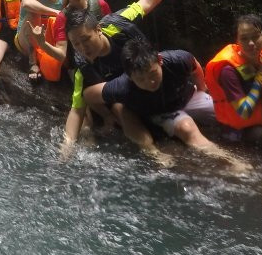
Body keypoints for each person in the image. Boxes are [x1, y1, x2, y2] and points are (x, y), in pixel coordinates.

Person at [62, 0, 198, 157]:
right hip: (127, 96)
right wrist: (66, 148)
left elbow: (146, 3)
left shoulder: (117, 24)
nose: (83, 48)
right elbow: (76, 109)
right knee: (119, 107)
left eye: (86, 39)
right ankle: (153, 153)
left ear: (98, 29)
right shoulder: (82, 66)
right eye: (76, 44)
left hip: (150, 78)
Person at [102, 39, 244, 168]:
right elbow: (89, 94)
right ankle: (233, 162)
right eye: (141, 79)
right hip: (162, 111)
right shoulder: (121, 87)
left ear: (159, 60)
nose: (150, 82)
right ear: (130, 76)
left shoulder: (177, 59)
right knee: (187, 129)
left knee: (228, 111)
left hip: (187, 96)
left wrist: (202, 89)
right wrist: (108, 117)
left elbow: (195, 65)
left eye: (153, 74)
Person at [204, 15, 262, 148]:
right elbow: (244, 112)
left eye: (255, 37)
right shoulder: (228, 71)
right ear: (237, 41)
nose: (251, 43)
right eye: (244, 38)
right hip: (241, 130)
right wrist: (261, 75)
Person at [22, 0, 111, 82]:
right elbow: (61, 54)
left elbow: (112, 32)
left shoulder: (99, 4)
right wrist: (42, 43)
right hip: (84, 63)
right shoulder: (63, 17)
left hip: (107, 55)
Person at [15, 0, 65, 81]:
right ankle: (33, 63)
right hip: (26, 40)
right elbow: (27, 3)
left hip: (46, 40)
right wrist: (55, 12)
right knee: (34, 14)